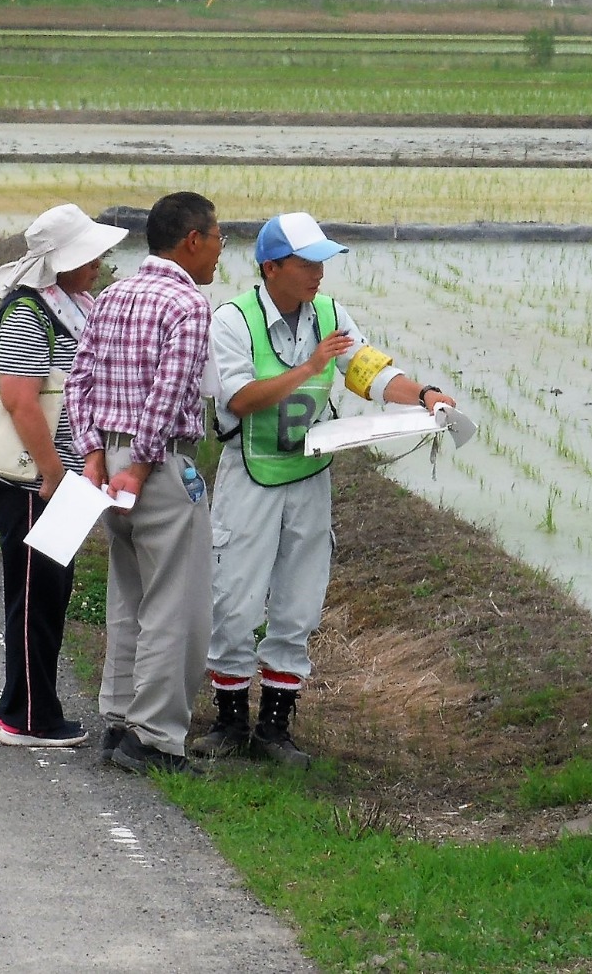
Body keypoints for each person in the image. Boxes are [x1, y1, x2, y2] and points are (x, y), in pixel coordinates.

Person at [192, 212, 456, 768]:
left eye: (322, 262)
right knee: (235, 599)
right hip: (252, 474)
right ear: (272, 267)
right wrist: (311, 364)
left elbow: (372, 372)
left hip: (310, 477)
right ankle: (229, 721)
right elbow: (239, 399)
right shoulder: (233, 321)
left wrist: (426, 394)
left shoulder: (331, 315)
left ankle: (275, 728)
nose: (318, 274)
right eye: (307, 263)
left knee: (298, 603)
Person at [65, 191, 222, 776]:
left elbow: (79, 380)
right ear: (192, 241)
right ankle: (154, 737)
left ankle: (119, 722)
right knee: (174, 607)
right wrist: (142, 462)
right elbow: (169, 390)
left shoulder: (111, 295)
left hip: (109, 460)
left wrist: (93, 455)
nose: (219, 252)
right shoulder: (187, 303)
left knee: (128, 598)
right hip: (155, 468)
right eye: (218, 239)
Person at [0, 204, 129, 749]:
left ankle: (36, 707)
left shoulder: (73, 305)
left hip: (63, 478)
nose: (99, 262)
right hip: (33, 481)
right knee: (31, 594)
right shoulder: (26, 312)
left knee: (51, 591)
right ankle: (24, 718)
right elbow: (20, 401)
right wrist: (52, 474)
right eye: (89, 254)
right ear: (60, 261)